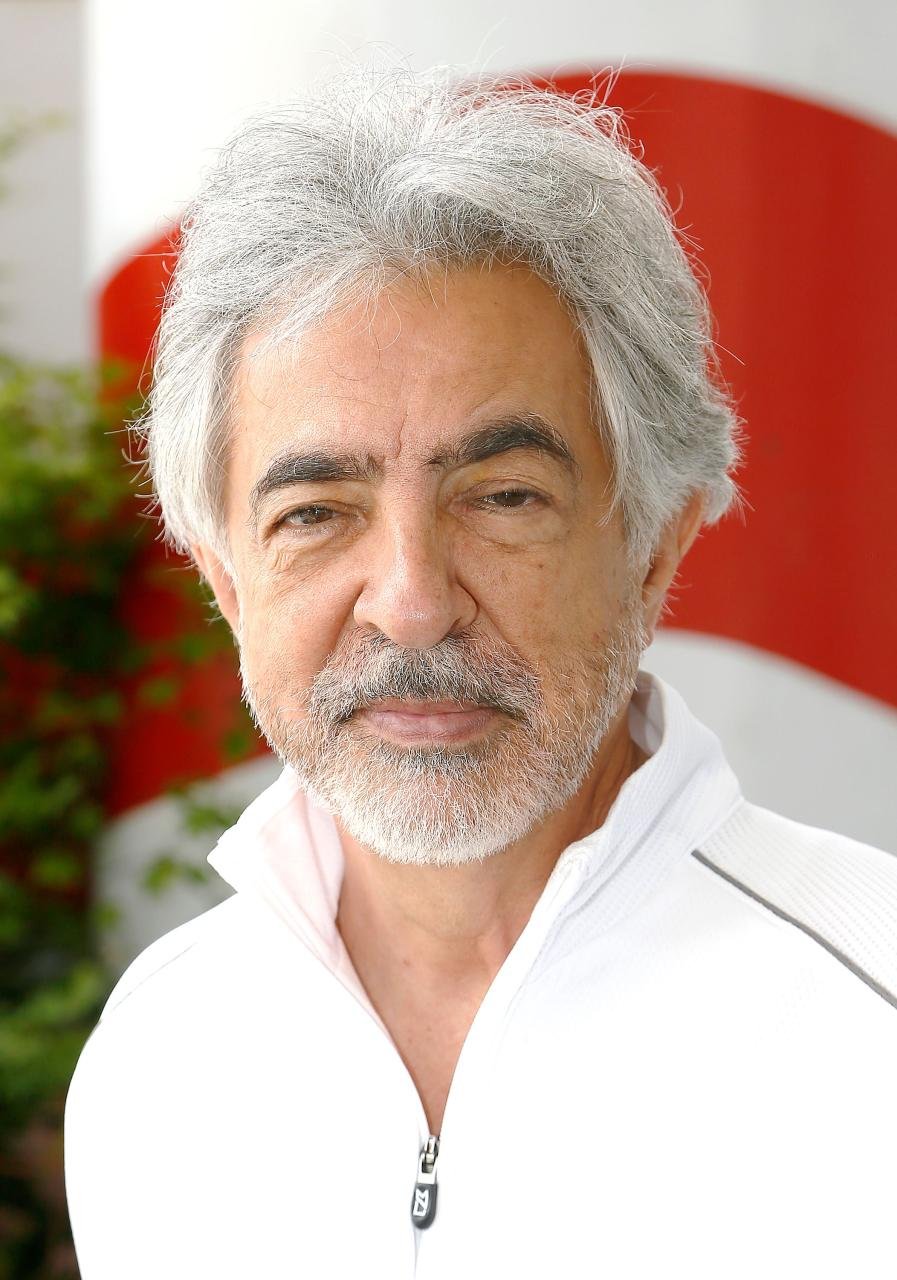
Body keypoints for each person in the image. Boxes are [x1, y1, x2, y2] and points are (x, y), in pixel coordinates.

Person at [64, 64, 897, 1279]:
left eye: (503, 496)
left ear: (657, 545)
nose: (410, 599)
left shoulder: (867, 1028)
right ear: (225, 578)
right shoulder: (161, 1057)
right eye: (315, 510)